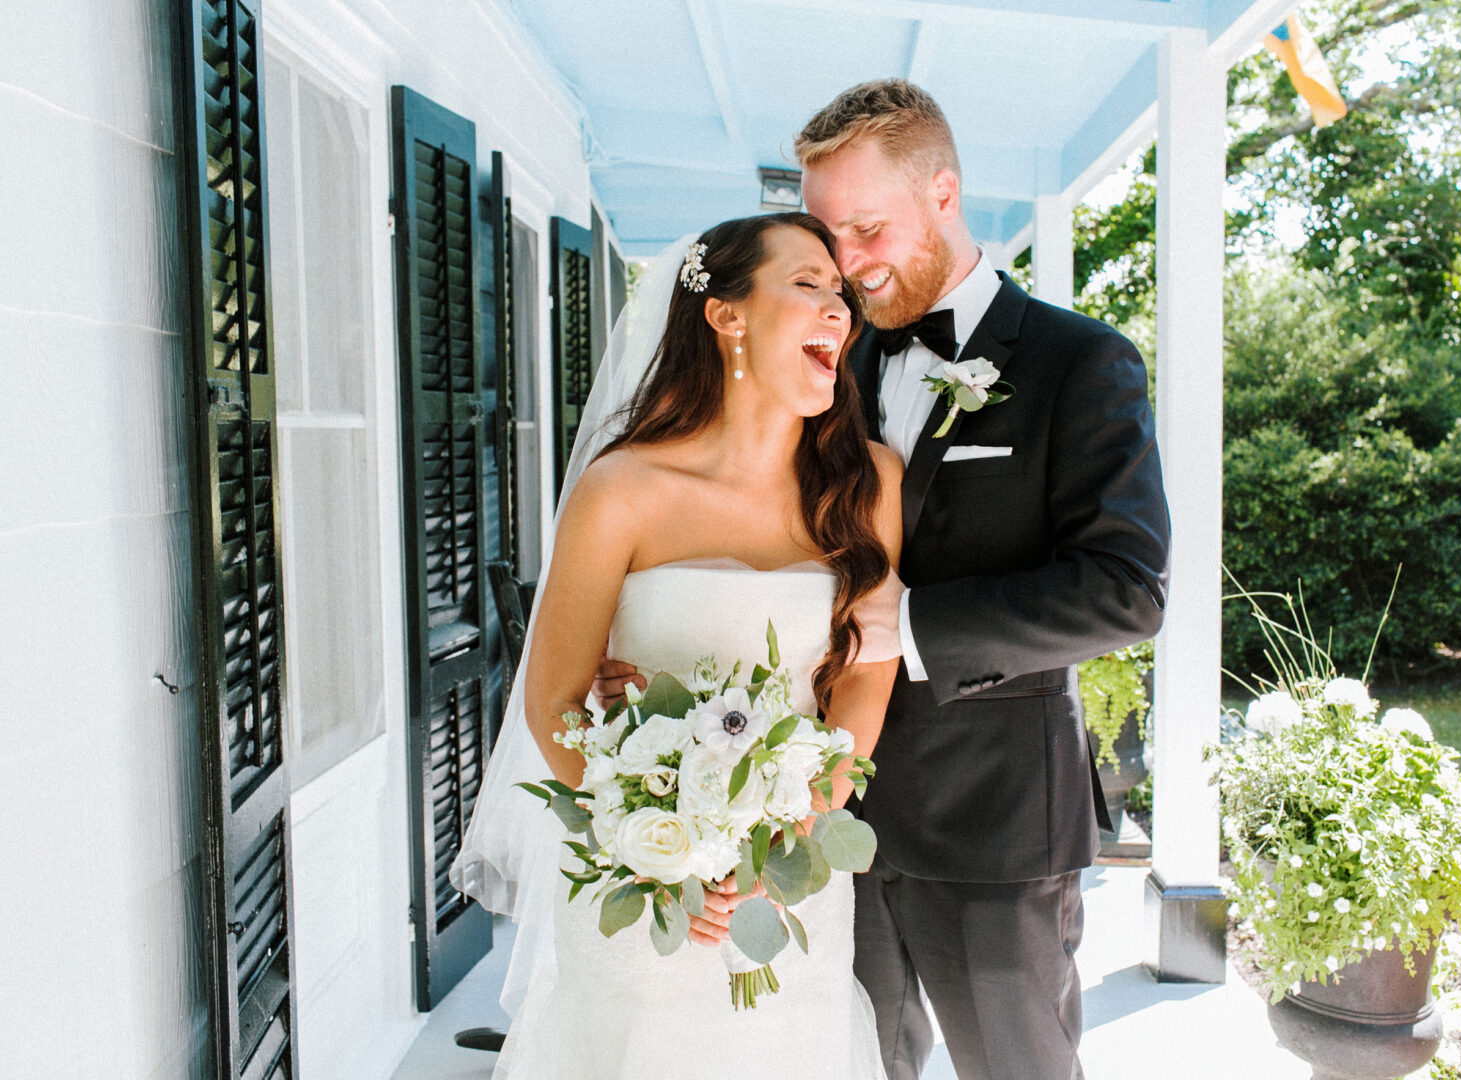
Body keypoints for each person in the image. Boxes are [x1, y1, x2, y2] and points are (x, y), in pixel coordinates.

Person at [603, 81, 1172, 1080]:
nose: (849, 267)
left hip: (995, 831)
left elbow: (1127, 589)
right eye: (828, 237)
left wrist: (909, 627)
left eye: (868, 229)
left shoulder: (1081, 364)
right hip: (815, 830)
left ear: (944, 193)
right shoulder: (826, 352)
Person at [453, 212, 905, 1080]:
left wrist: (790, 840)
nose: (837, 310)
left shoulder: (868, 482)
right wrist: (659, 853)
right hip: (644, 893)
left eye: (841, 294)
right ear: (726, 314)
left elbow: (867, 679)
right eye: (807, 285)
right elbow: (553, 702)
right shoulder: (623, 489)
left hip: (791, 886)